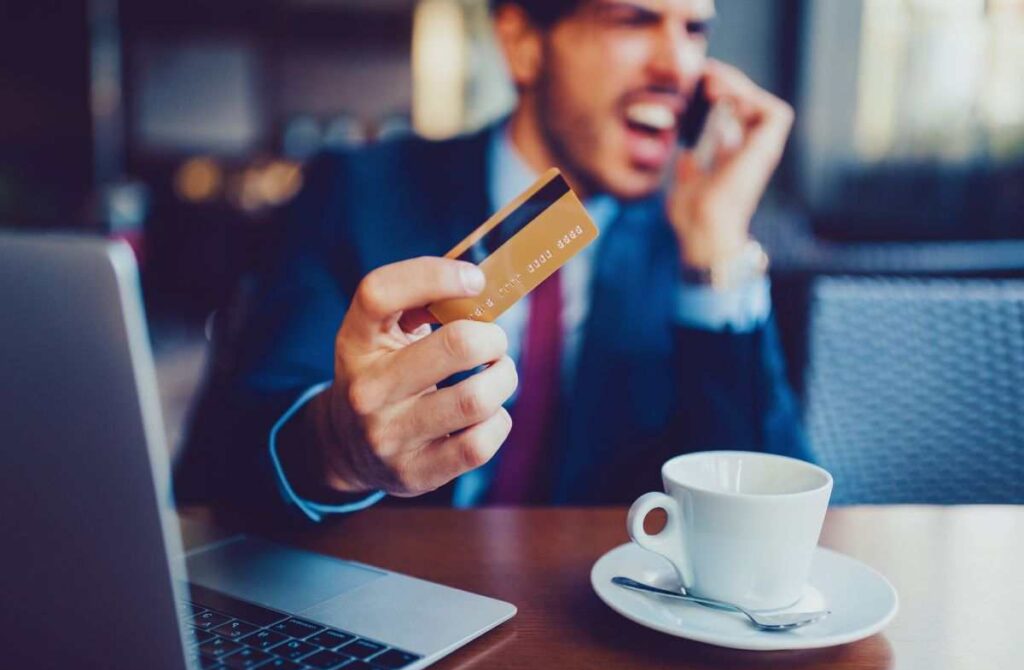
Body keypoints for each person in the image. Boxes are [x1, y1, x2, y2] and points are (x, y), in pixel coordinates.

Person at [176, 0, 811, 521]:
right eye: (633, 19)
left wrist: (714, 247)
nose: (680, 66)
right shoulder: (360, 191)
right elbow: (221, 460)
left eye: (695, 29)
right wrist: (337, 448)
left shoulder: (689, 236)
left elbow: (770, 511)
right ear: (522, 43)